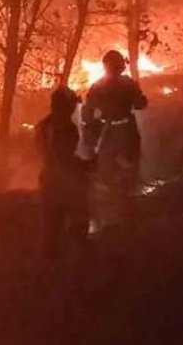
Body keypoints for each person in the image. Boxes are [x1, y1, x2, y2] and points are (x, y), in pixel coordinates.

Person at [82, 50, 148, 228]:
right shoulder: (127, 83)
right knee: (129, 169)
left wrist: (91, 129)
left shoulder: (98, 85)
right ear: (120, 66)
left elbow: (87, 111)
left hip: (108, 132)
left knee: (107, 172)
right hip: (126, 130)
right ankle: (127, 213)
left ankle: (112, 215)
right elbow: (140, 104)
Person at [36, 86, 92, 270]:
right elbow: (64, 158)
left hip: (48, 182)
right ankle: (78, 268)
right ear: (65, 106)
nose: (74, 108)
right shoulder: (66, 128)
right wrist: (86, 166)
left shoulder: (43, 125)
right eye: (72, 105)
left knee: (51, 229)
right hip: (65, 184)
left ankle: (48, 270)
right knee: (79, 223)